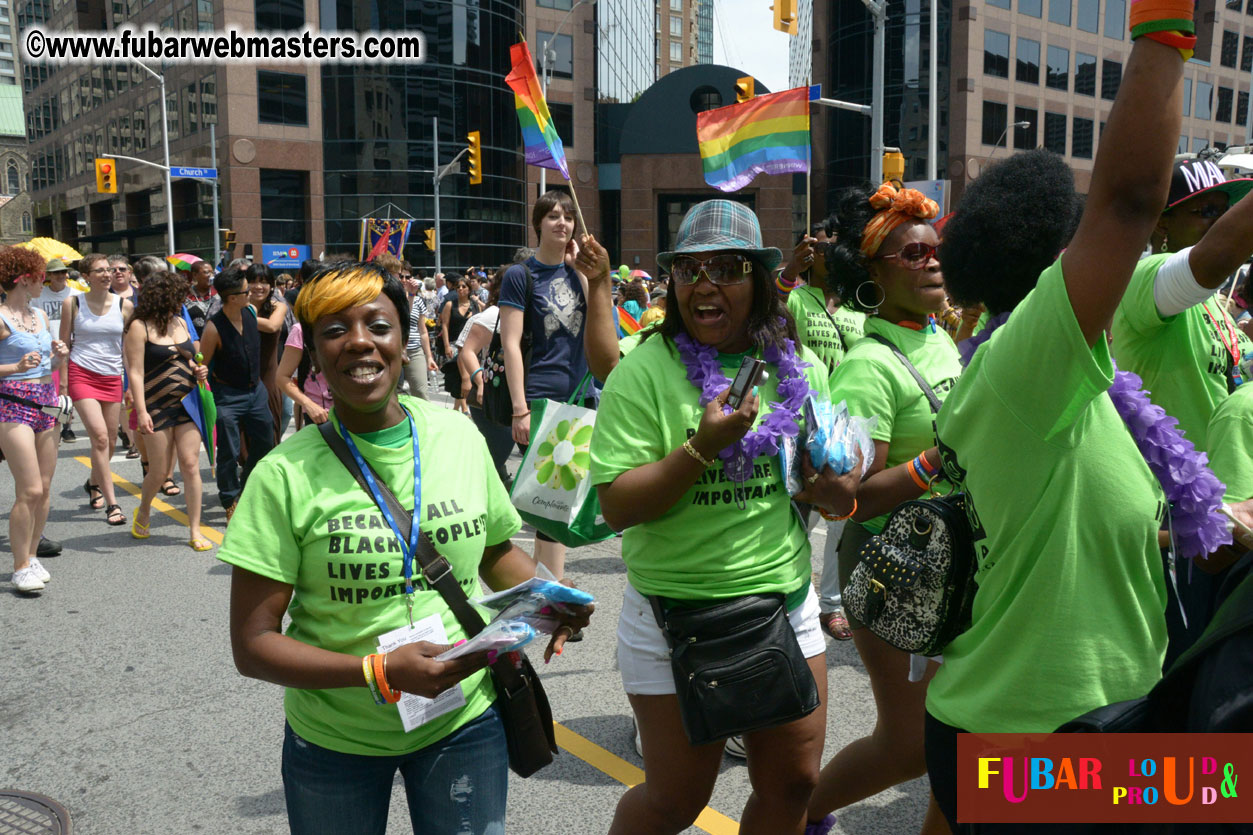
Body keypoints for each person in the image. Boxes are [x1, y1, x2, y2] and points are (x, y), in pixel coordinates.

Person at [922, 28, 1194, 830]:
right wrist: (1165, 25)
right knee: (1228, 792)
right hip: (1037, 747)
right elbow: (1129, 200)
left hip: (1087, 726)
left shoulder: (1076, 390)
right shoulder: (1024, 363)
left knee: (1223, 785)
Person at [217, 261, 590, 834]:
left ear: (403, 339)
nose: (360, 342)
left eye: (378, 325)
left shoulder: (458, 437)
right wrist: (379, 670)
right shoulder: (281, 476)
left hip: (463, 721)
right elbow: (254, 645)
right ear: (313, 355)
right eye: (336, 330)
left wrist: (548, 598)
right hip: (335, 742)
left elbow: (492, 551)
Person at [590, 199, 857, 835]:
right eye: (690, 270)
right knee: (674, 803)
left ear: (760, 282)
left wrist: (831, 488)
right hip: (675, 616)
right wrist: (700, 448)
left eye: (728, 268)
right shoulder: (644, 373)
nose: (705, 285)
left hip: (783, 605)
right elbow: (618, 506)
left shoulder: (800, 369)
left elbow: (837, 495)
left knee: (795, 783)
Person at [805, 182, 958, 834]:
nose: (931, 262)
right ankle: (797, 813)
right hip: (892, 567)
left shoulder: (939, 337)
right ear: (872, 271)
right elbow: (847, 500)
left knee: (966, 739)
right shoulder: (867, 366)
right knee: (910, 745)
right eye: (913, 252)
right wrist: (934, 463)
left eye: (936, 250)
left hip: (959, 561)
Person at [1111, 157, 1253, 662]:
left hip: (1229, 511)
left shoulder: (1216, 301)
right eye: (1205, 211)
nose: (1220, 221)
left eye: (1225, 210)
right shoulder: (1144, 280)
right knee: (1184, 673)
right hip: (1179, 520)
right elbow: (1214, 258)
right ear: (1160, 224)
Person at [779, 229, 868, 644]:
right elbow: (772, 313)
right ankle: (786, 595)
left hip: (843, 421)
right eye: (819, 245)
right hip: (802, 419)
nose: (828, 251)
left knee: (839, 516)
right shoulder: (797, 296)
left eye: (836, 243)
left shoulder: (857, 305)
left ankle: (831, 604)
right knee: (797, 511)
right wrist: (790, 272)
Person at [500, 190, 593, 580]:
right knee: (551, 500)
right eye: (553, 215)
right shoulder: (520, 276)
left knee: (558, 498)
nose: (562, 223)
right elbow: (510, 343)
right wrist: (519, 406)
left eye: (568, 216)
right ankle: (551, 591)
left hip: (582, 393)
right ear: (537, 223)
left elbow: (600, 320)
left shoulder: (580, 271)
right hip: (541, 396)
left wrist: (585, 271)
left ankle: (545, 587)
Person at [122, 270, 211, 550]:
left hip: (188, 402)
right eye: (177, 296)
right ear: (164, 296)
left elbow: (192, 357)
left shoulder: (181, 322)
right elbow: (135, 372)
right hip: (156, 404)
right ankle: (145, 509)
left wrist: (199, 369)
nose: (182, 301)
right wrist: (142, 411)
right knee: (160, 471)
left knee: (190, 464)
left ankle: (195, 530)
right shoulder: (139, 326)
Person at [0, 245, 69, 592]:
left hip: (46, 401)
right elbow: (17, 366)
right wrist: (14, 367)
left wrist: (59, 357)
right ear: (24, 278)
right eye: (42, 276)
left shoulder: (40, 316)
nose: (46, 282)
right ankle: (20, 566)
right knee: (28, 489)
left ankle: (31, 555)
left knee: (43, 489)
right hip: (12, 404)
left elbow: (46, 366)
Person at [59, 252, 132, 525]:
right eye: (99, 270)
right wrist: (64, 384)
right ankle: (112, 504)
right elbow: (64, 346)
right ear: (86, 277)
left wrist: (130, 384)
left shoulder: (124, 306)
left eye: (109, 270)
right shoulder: (73, 303)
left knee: (111, 441)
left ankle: (92, 482)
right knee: (100, 438)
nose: (106, 274)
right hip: (82, 375)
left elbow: (128, 350)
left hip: (112, 377)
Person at [200, 267, 276, 519]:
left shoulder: (251, 311)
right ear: (233, 297)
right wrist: (197, 371)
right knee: (229, 451)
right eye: (247, 290)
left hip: (256, 392)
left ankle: (246, 485)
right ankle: (229, 498)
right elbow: (203, 362)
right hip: (227, 396)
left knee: (266, 441)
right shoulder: (213, 328)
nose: (252, 292)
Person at [457, 267, 515, 484]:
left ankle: (499, 482)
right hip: (493, 396)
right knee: (497, 450)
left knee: (497, 453)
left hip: (520, 395)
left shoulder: (528, 312)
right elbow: (467, 350)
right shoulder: (492, 316)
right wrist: (479, 382)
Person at [244, 264, 290, 443]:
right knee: (246, 425)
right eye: (252, 281)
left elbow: (272, 326)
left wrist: (242, 316)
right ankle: (248, 465)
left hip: (270, 374)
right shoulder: (237, 306)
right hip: (242, 375)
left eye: (263, 282)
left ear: (271, 285)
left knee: (280, 416)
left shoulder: (278, 306)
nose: (258, 287)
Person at [38, 258, 79, 443]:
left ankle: (67, 427)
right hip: (50, 348)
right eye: (56, 273)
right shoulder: (40, 296)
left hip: (72, 346)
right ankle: (54, 424)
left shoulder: (76, 294)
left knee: (66, 387)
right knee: (55, 388)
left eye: (63, 272)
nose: (61, 276)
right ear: (49, 276)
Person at [440, 276, 482, 414]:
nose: (460, 289)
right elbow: (444, 325)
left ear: (469, 289)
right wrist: (446, 345)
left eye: (464, 286)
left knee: (467, 376)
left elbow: (481, 324)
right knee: (460, 375)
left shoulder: (475, 306)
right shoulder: (450, 305)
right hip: (454, 344)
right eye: (458, 286)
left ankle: (456, 409)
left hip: (472, 346)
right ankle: (464, 409)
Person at [185, 260, 217, 337]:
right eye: (206, 272)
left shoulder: (218, 293)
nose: (211, 275)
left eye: (212, 272)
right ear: (195, 275)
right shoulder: (185, 295)